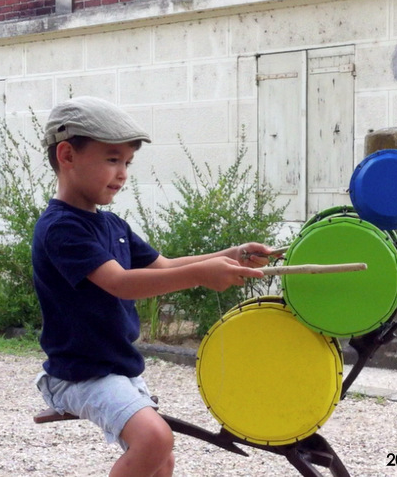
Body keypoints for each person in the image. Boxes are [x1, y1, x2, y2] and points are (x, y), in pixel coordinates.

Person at [32, 96, 270, 477]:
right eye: (112, 159)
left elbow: (164, 265)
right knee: (154, 440)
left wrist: (232, 253)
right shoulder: (61, 227)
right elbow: (121, 284)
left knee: (161, 458)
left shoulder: (113, 227)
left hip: (116, 368)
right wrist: (202, 274)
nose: (123, 172)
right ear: (67, 155)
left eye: (127, 162)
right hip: (80, 372)